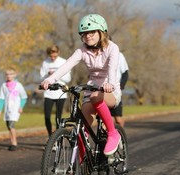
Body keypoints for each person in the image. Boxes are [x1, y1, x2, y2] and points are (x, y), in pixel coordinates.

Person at [40, 14, 121, 156]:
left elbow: (112, 68)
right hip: (91, 89)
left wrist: (110, 83)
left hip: (110, 89)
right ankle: (78, 174)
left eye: (91, 32)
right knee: (81, 131)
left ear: (101, 32)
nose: (87, 36)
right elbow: (67, 65)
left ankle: (113, 133)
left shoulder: (112, 48)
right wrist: (50, 80)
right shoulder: (82, 50)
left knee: (96, 97)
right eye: (84, 34)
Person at [40, 45, 72, 137]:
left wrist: (57, 74)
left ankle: (56, 138)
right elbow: (41, 78)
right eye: (51, 56)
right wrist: (48, 74)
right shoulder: (45, 63)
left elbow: (68, 79)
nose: (53, 58)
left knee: (58, 117)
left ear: (58, 53)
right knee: (47, 117)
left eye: (55, 56)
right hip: (48, 93)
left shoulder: (63, 62)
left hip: (60, 93)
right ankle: (50, 136)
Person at [0, 66, 28, 151]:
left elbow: (24, 97)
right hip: (7, 110)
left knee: (11, 125)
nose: (9, 76)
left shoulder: (18, 85)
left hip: (15, 109)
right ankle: (12, 142)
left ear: (15, 75)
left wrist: (21, 107)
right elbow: (1, 98)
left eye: (11, 74)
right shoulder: (4, 86)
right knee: (9, 126)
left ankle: (14, 143)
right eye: (7, 74)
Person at [110, 51, 129, 127]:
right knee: (107, 119)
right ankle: (107, 137)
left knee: (118, 118)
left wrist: (121, 85)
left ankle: (121, 136)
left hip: (115, 90)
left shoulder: (119, 55)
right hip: (103, 90)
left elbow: (125, 73)